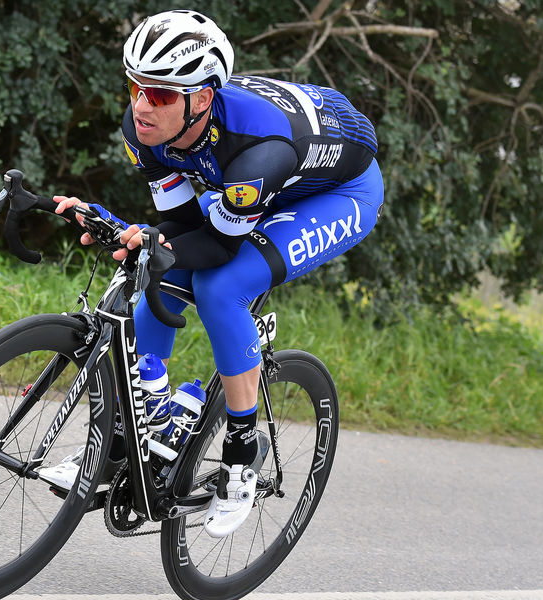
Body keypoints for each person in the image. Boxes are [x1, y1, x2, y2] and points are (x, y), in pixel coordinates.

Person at [46, 9, 383, 538]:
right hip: (256, 184)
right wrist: (128, 230)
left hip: (337, 192)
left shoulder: (257, 155)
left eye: (157, 95)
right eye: (135, 86)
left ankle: (241, 457)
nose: (140, 105)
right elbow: (180, 223)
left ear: (200, 98)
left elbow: (218, 247)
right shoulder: (146, 130)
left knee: (220, 286)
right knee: (158, 267)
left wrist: (153, 240)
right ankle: (132, 431)